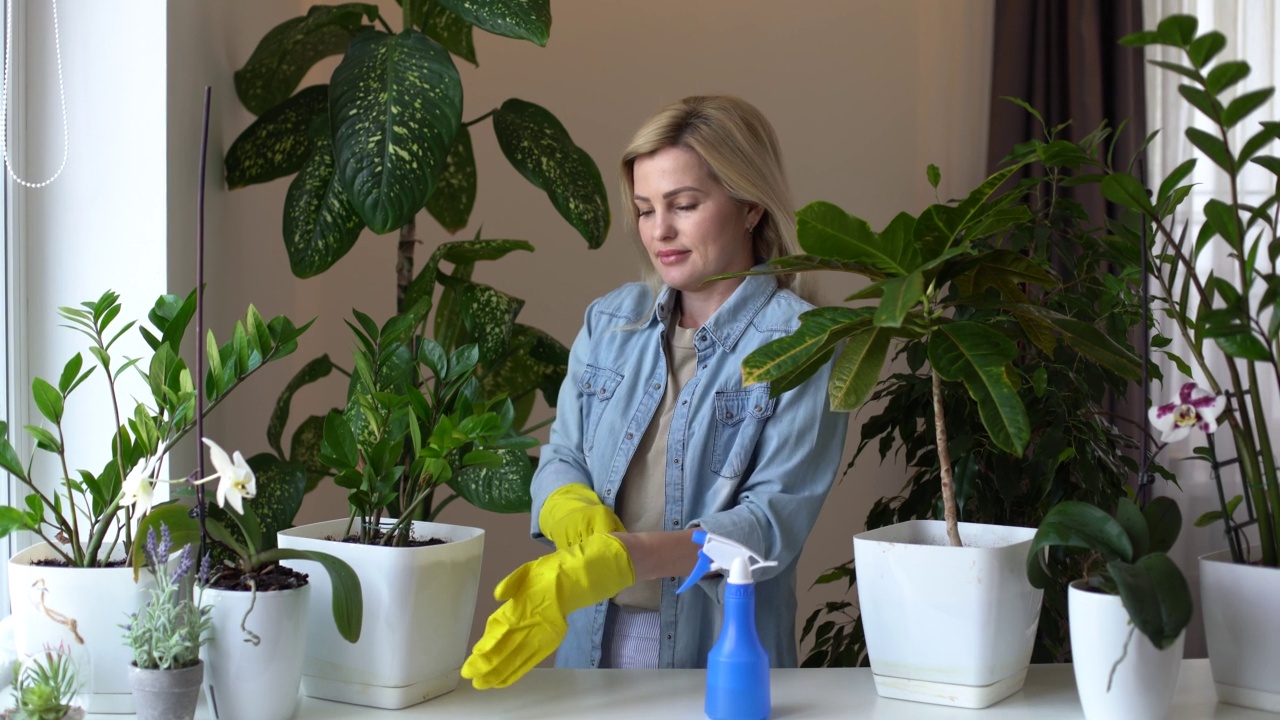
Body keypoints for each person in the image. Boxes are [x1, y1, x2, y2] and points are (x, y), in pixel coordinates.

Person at [461, 95, 849, 689]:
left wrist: (621, 559)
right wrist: (569, 512)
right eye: (645, 209)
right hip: (589, 648)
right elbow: (563, 454)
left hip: (719, 656)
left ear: (750, 206)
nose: (659, 230)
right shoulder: (609, 321)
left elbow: (770, 526)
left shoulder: (802, 340)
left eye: (684, 205)